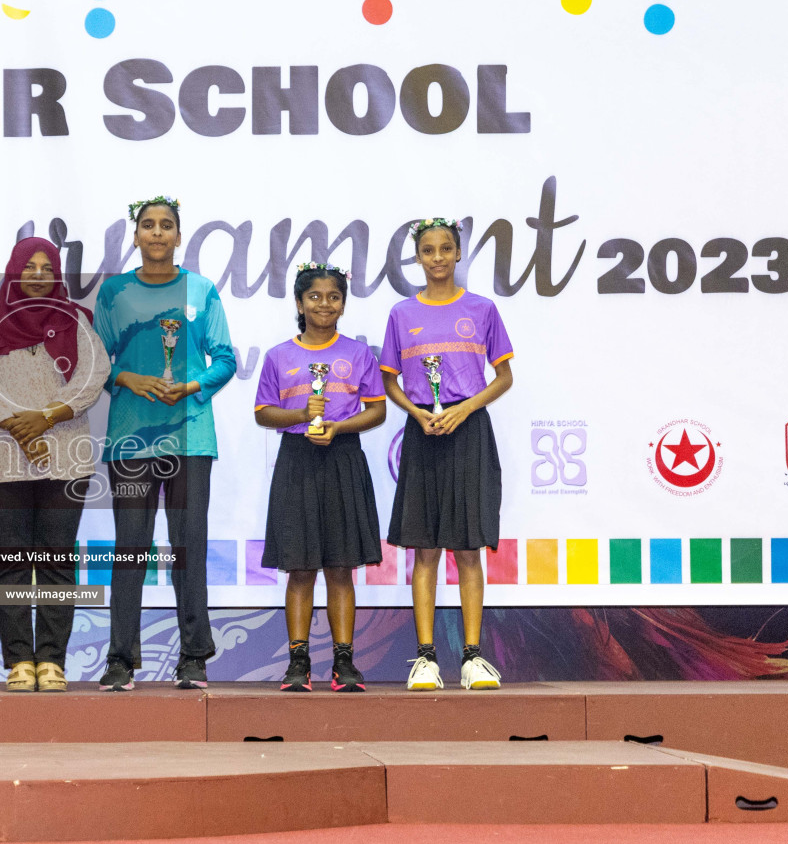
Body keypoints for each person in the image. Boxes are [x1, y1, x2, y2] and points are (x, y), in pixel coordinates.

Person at [93, 197, 235, 691]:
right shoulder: (113, 293)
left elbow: (225, 358)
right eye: (148, 225)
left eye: (166, 225)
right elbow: (94, 364)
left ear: (179, 236)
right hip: (130, 443)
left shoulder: (201, 289)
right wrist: (126, 376)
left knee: (188, 547)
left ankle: (194, 657)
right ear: (135, 236)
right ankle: (120, 659)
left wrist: (192, 385)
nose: (157, 233)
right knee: (131, 548)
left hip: (191, 439)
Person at [0, 237, 109, 692]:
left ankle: (50, 661)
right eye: (31, 265)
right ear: (14, 270)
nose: (39, 273)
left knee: (55, 560)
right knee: (11, 559)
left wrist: (44, 419)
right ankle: (18, 662)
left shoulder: (79, 324)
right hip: (4, 457)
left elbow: (93, 377)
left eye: (48, 266)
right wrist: (21, 430)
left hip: (65, 457)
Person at [381, 218, 514, 691]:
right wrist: (418, 414)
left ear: (458, 255)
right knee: (425, 548)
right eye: (427, 250)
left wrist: (465, 410)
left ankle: (473, 658)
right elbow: (389, 382)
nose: (437, 257)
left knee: (468, 547)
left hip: (468, 429)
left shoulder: (482, 309)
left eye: (445, 249)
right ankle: (425, 659)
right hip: (424, 430)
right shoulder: (401, 313)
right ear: (417, 258)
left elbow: (503, 377)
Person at [254, 263, 386, 692]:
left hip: (343, 458)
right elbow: (262, 413)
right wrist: (300, 416)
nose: (324, 304)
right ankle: (298, 661)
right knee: (300, 568)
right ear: (299, 302)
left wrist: (339, 427)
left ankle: (343, 662)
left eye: (333, 296)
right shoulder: (279, 356)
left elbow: (377, 410)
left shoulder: (359, 353)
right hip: (296, 460)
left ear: (343, 304)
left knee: (341, 567)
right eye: (314, 296)